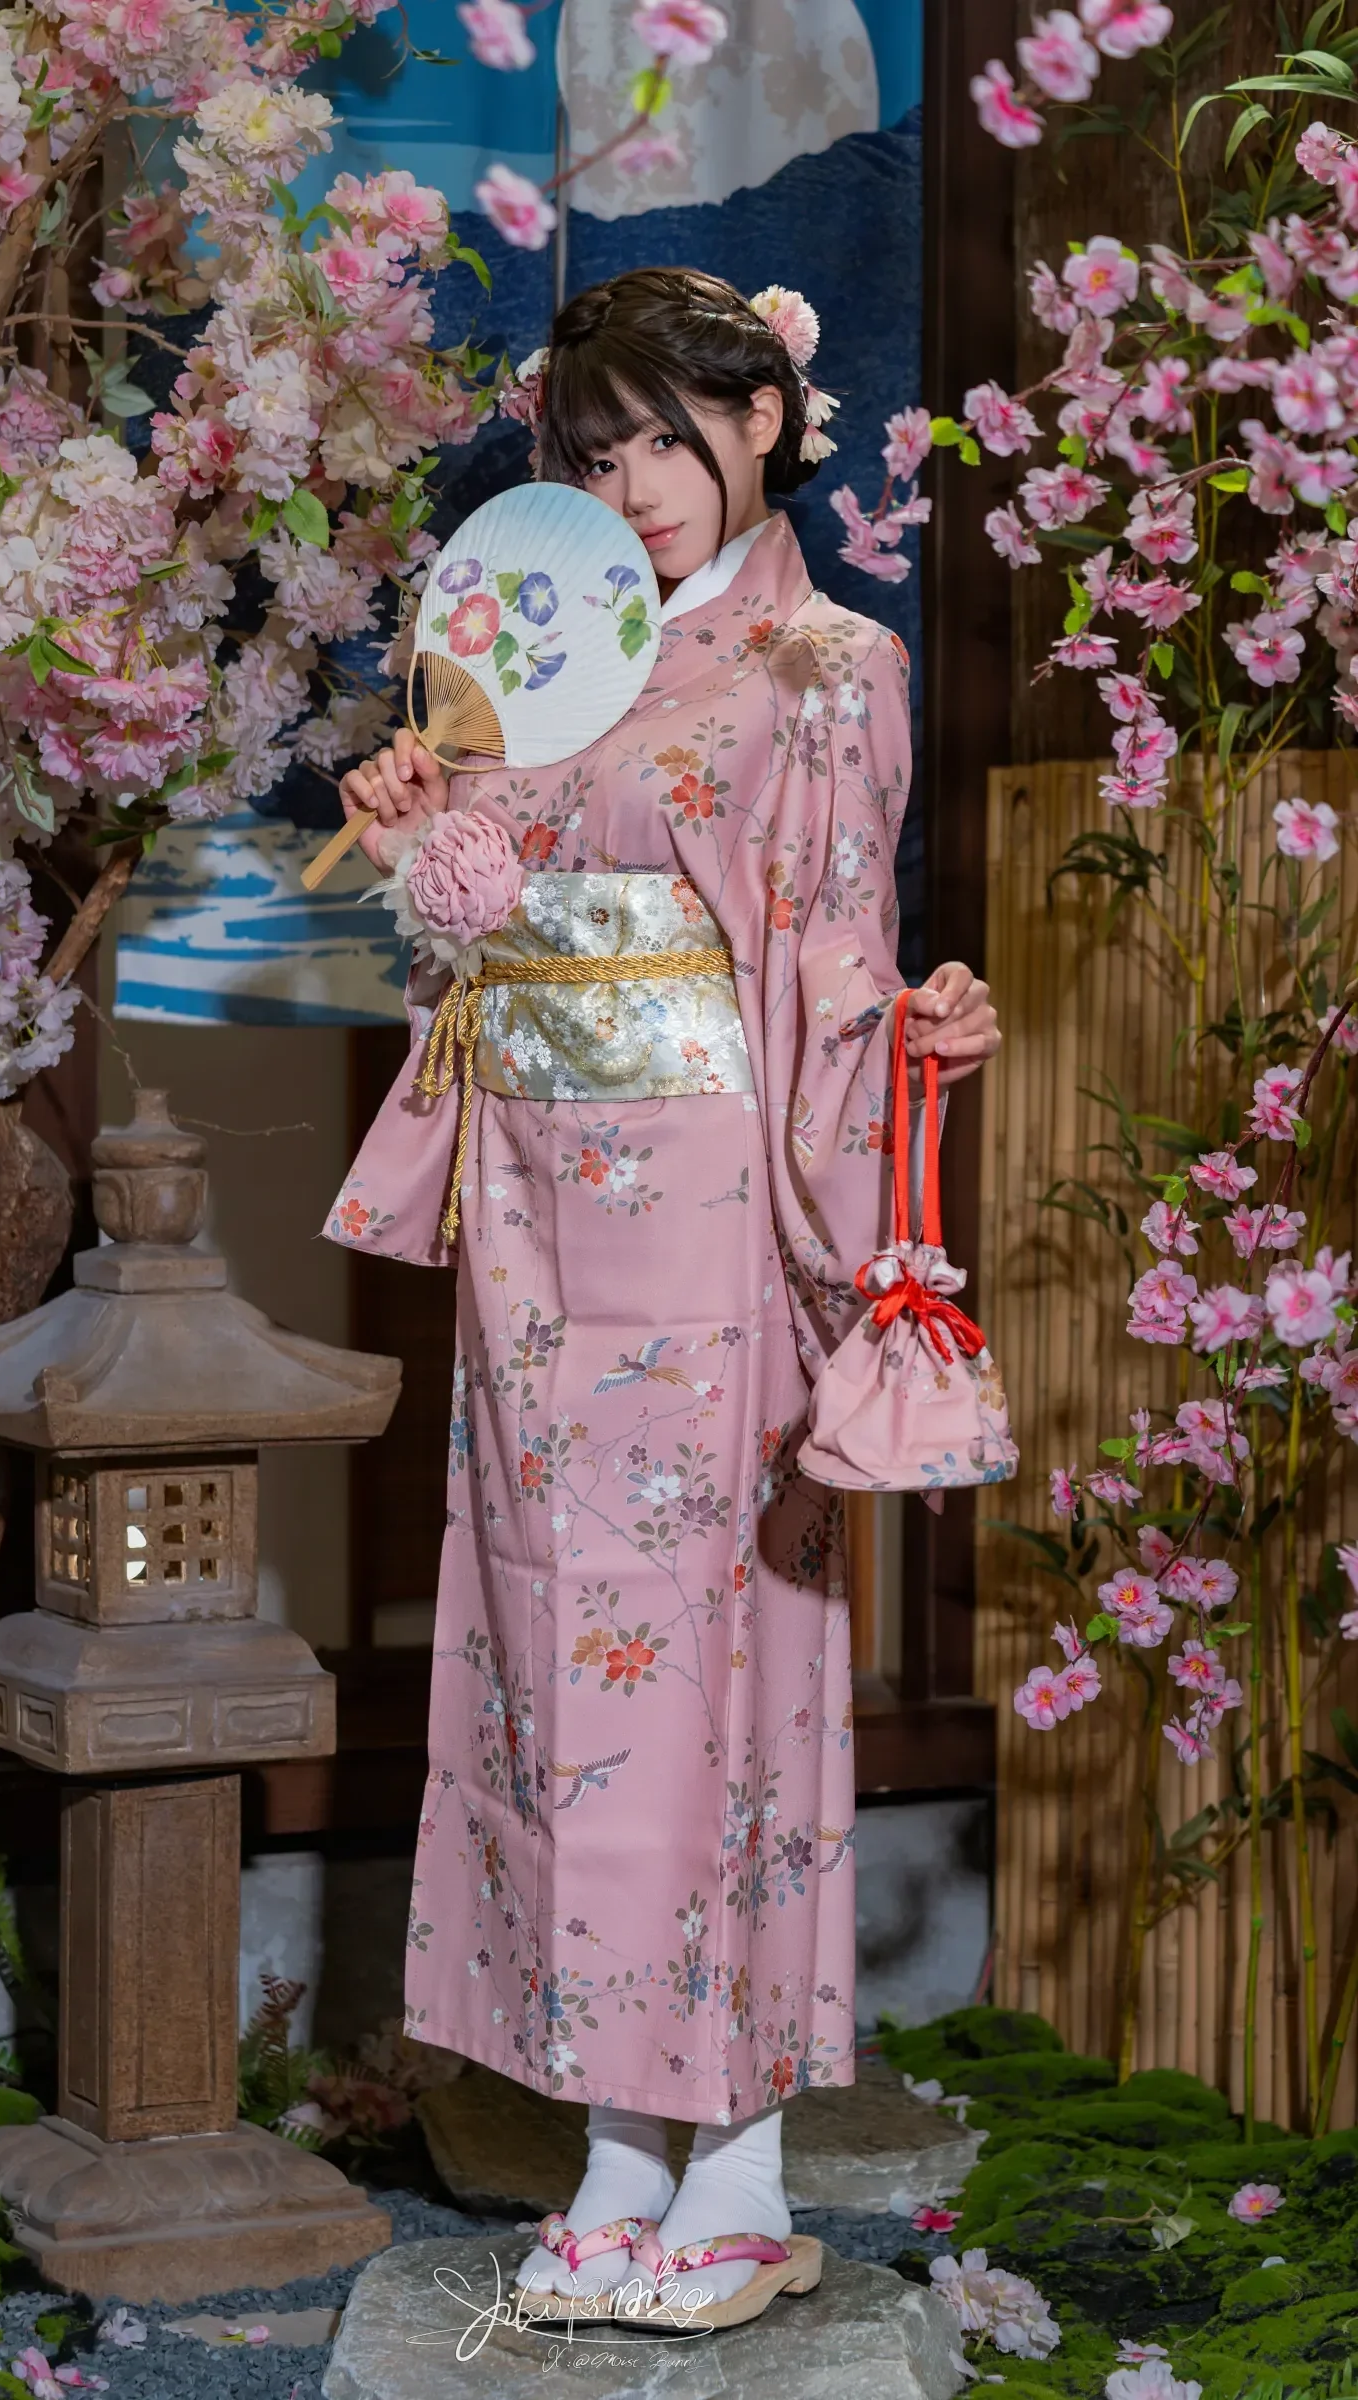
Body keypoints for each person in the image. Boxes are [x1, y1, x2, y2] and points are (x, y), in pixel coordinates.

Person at [324, 266, 1001, 2323]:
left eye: (665, 439)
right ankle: (619, 2155)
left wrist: (895, 1108)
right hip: (537, 1231)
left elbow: (828, 964)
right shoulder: (532, 663)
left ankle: (742, 2170)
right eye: (594, 451)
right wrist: (417, 840)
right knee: (554, 1674)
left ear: (764, 418)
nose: (631, 486)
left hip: (714, 1226)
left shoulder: (825, 664)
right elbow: (480, 951)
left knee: (713, 1671)